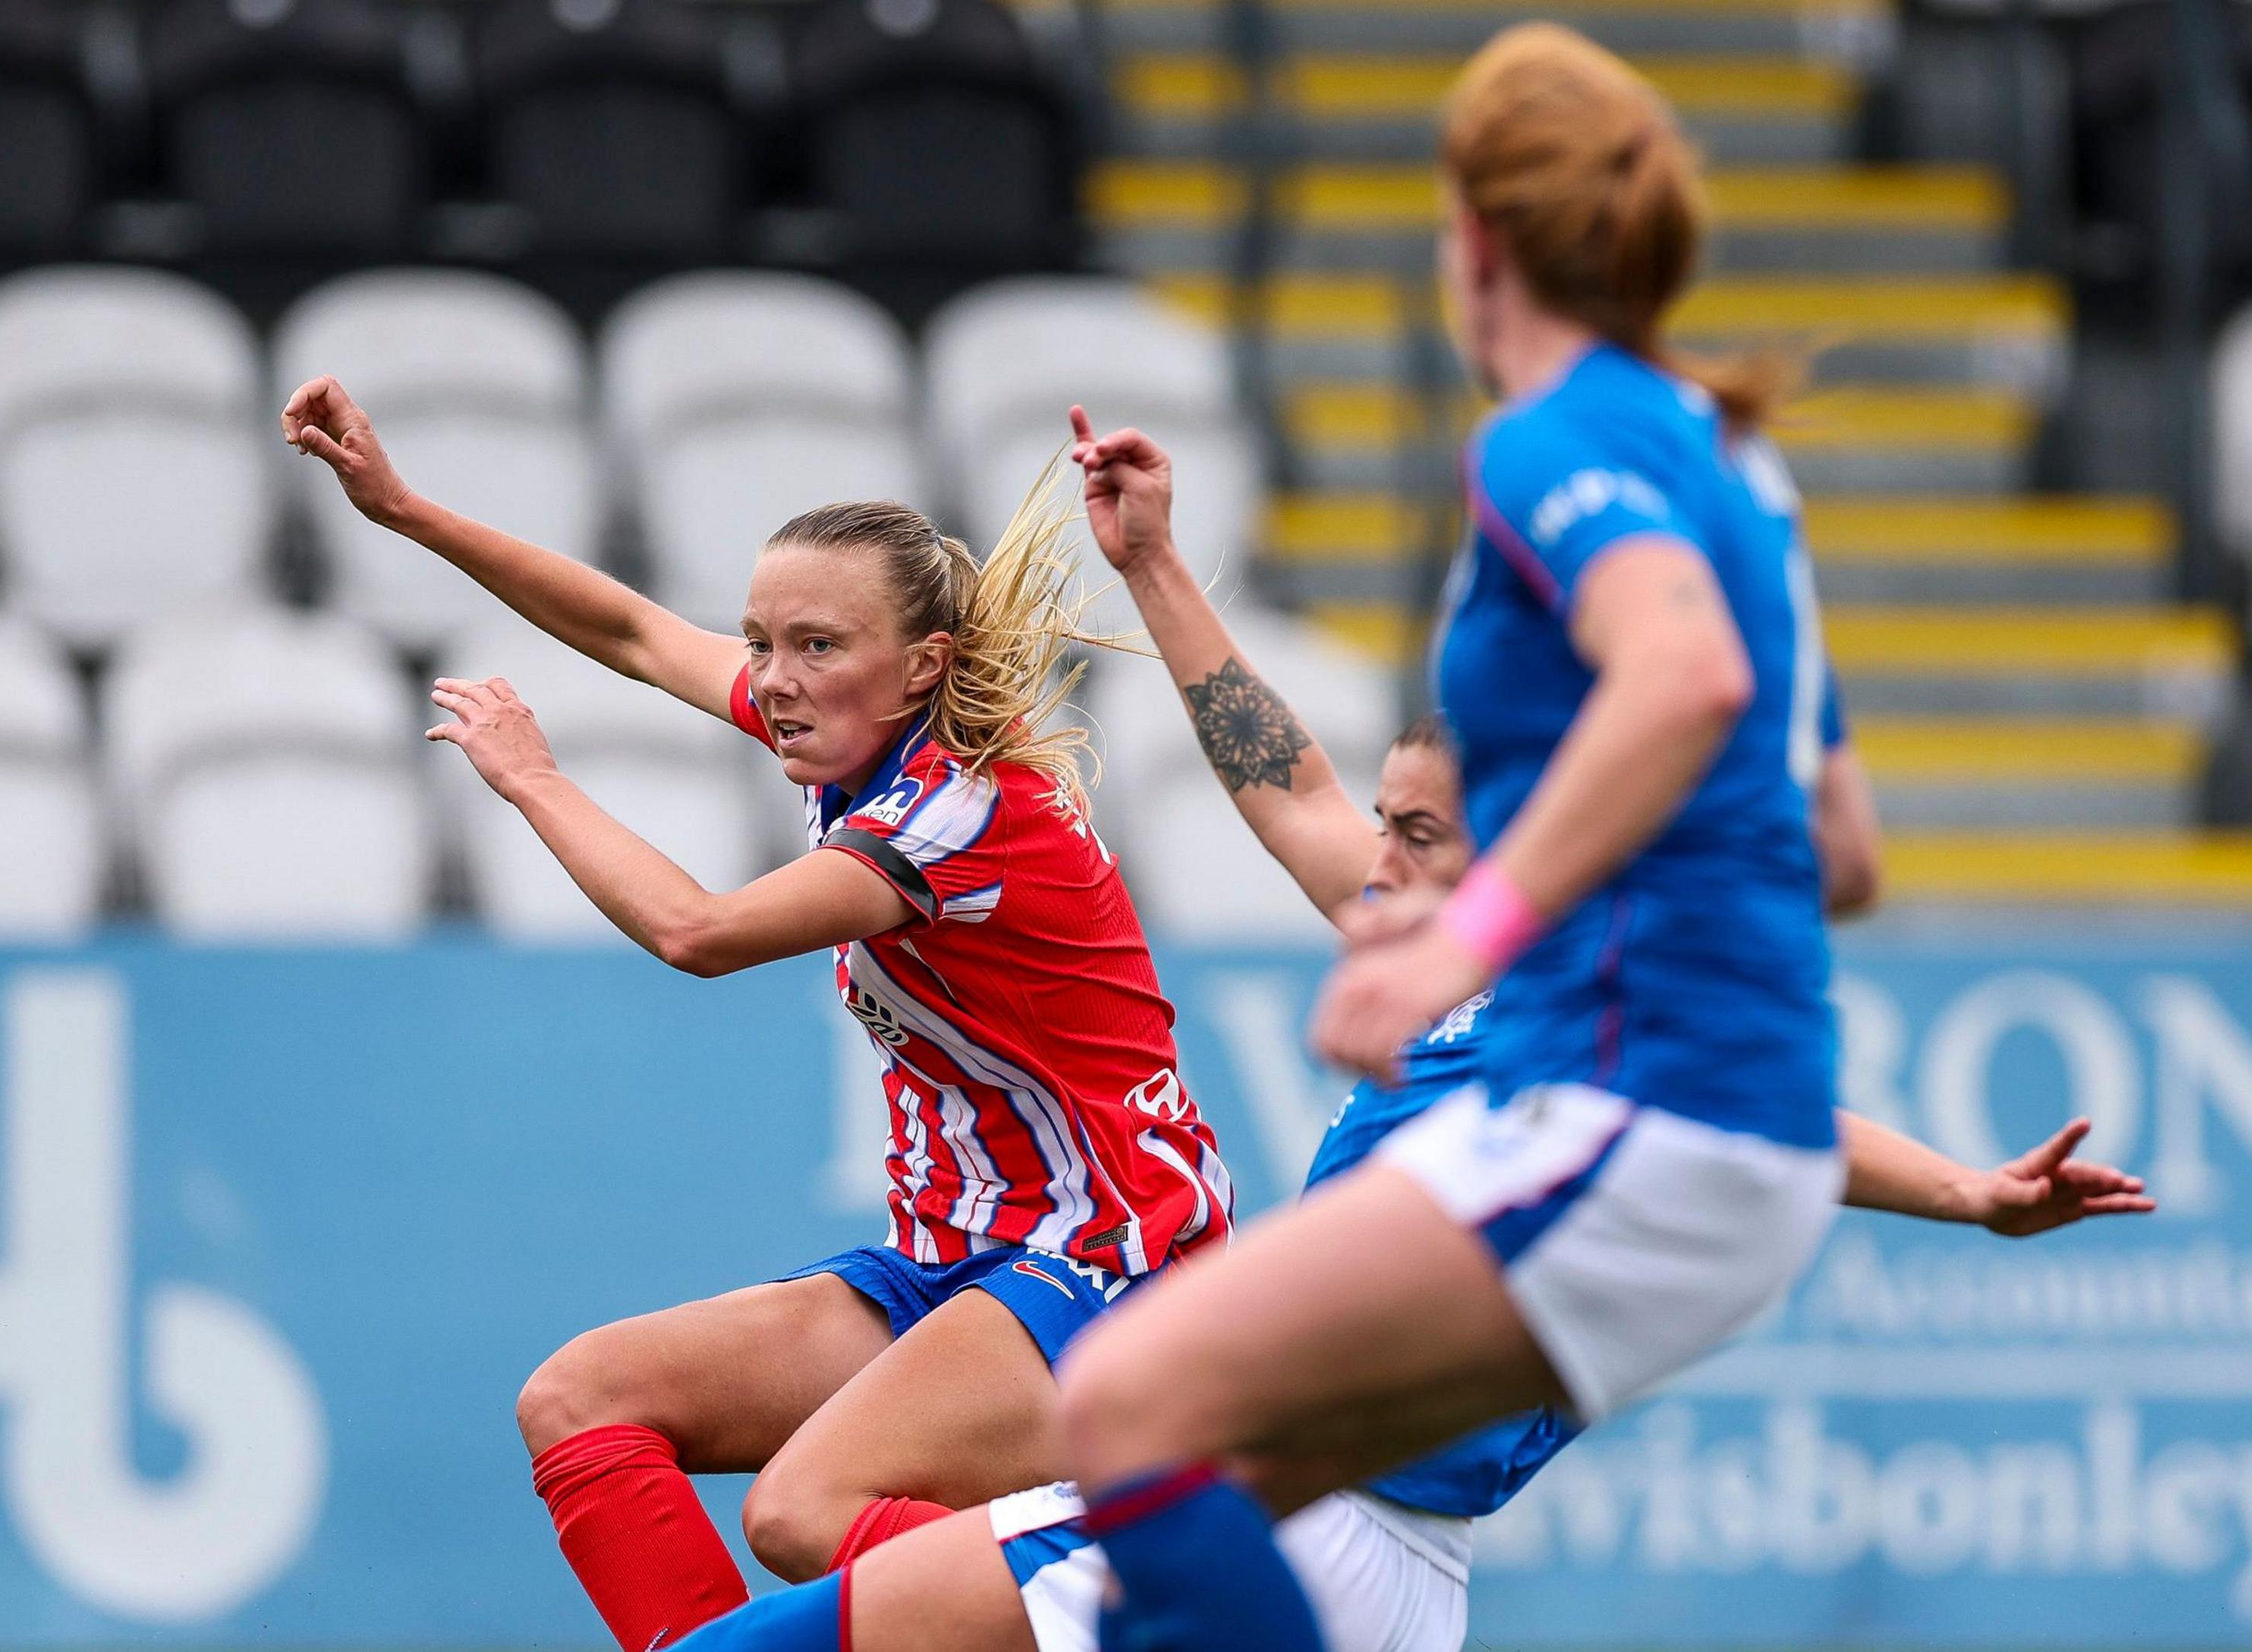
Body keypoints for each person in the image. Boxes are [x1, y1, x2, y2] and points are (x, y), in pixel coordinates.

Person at [647, 412, 2151, 1652]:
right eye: (1390, 825)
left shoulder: (1581, 1015)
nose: (1377, 860)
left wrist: (1968, 1191)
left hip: (1320, 1537)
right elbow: (1283, 779)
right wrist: (1158, 566)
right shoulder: (1447, 970)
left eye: (1421, 834)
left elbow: (1786, 1122)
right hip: (1303, 1533)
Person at [1030, 25, 1970, 1647]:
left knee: (1126, 1407)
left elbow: (1683, 677)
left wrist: (1468, 941)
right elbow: (1844, 851)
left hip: (1638, 1107)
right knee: (1186, 1497)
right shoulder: (1737, 465)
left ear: (1473, 240)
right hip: (1706, 1117)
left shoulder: (1547, 441)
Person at [281, 379, 1236, 1651]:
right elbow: (628, 628)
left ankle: (1161, 1617)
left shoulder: (956, 815)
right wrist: (403, 512)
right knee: (583, 1400)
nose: (773, 682)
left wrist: (536, 781)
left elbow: (699, 933)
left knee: (804, 1511)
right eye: (761, 642)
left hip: (1117, 1262)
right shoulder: (858, 742)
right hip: (961, 1261)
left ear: (923, 668)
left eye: (816, 647)